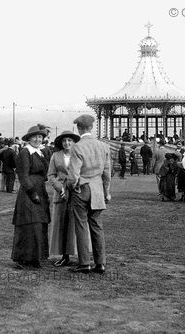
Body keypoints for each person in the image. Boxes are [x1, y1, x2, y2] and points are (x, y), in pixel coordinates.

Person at [67, 114, 111, 274]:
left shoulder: (77, 147)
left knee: (81, 226)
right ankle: (101, 263)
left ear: (79, 128)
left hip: (82, 189)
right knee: (97, 226)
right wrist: (107, 192)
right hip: (98, 189)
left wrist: (73, 187)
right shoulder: (103, 146)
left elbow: (73, 175)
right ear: (91, 127)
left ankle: (85, 263)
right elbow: (107, 173)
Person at [12, 125, 51, 269]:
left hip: (40, 190)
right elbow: (23, 175)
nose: (37, 139)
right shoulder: (25, 152)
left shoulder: (40, 152)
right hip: (29, 193)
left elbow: (45, 173)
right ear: (29, 139)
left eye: (40, 137)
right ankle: (23, 258)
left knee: (39, 224)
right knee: (29, 225)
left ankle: (36, 257)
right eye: (34, 137)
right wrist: (32, 193)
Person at [47, 130, 83, 266]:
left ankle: (82, 256)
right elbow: (50, 175)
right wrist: (59, 187)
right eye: (64, 141)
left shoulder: (79, 154)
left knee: (77, 224)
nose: (67, 143)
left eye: (69, 140)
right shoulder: (55, 156)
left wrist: (76, 185)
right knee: (61, 224)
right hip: (61, 194)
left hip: (76, 192)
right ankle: (64, 256)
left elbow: (84, 173)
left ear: (74, 142)